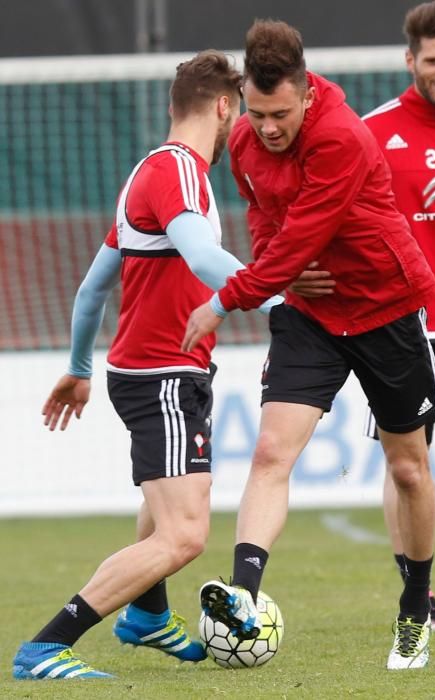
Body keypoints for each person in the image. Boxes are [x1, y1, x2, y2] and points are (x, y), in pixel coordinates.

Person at [12, 48, 288, 681]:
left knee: (164, 515)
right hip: (162, 374)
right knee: (185, 535)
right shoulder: (181, 174)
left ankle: (146, 616)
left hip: (157, 369)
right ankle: (46, 647)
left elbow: (91, 290)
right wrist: (280, 300)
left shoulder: (146, 172)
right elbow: (199, 255)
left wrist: (80, 367)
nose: (238, 128)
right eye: (238, 114)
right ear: (224, 106)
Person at [182, 19, 435, 671]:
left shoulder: (342, 137)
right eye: (256, 112)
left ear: (306, 93)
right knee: (272, 451)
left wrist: (224, 299)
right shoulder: (244, 138)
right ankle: (243, 594)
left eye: (280, 114)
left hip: (383, 306)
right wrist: (274, 263)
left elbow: (302, 234)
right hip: (310, 315)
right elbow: (265, 220)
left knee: (408, 468)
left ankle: (414, 608)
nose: (267, 128)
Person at [362, 0, 435, 634]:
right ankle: (418, 596)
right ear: (410, 60)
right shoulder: (374, 132)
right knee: (407, 467)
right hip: (410, 328)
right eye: (434, 60)